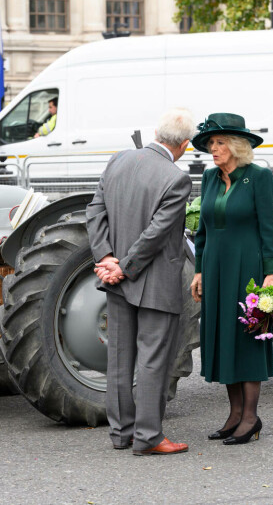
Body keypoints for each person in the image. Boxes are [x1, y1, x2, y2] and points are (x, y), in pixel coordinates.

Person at [86, 108, 195, 456]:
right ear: (185, 145)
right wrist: (125, 267)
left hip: (116, 278)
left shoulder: (118, 161)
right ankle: (148, 436)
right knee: (152, 360)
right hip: (153, 281)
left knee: (119, 359)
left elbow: (95, 210)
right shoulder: (176, 178)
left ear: (157, 134)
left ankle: (122, 434)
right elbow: (157, 234)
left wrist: (106, 258)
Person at [190, 113, 273, 446]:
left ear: (237, 146)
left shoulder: (258, 177)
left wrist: (271, 273)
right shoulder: (210, 178)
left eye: (220, 142)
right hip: (215, 267)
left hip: (249, 269)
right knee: (223, 334)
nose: (213, 149)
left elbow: (269, 228)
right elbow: (203, 230)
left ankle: (251, 417)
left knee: (247, 336)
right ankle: (234, 414)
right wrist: (198, 270)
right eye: (211, 143)